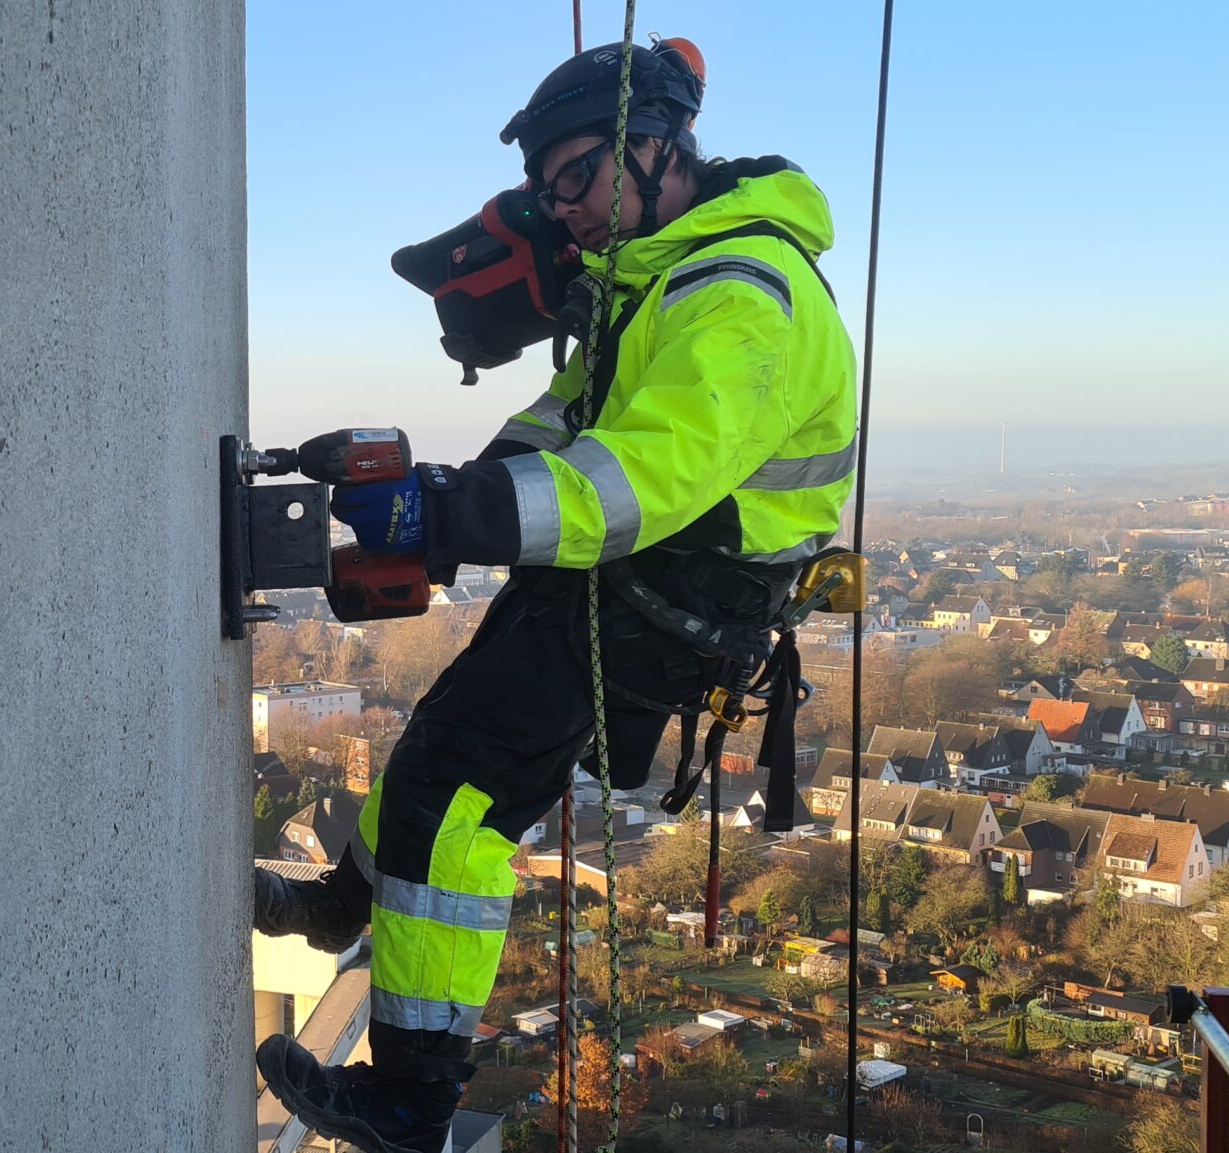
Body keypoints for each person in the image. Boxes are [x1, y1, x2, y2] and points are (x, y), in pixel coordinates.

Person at [251, 38, 859, 1153]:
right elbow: (560, 426)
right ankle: (345, 900)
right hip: (614, 585)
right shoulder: (657, 279)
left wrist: (450, 519)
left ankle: (408, 1100)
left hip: (663, 599)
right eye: (546, 188)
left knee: (460, 814)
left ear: (658, 147)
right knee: (440, 745)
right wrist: (444, 497)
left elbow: (641, 481)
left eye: (575, 176)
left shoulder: (740, 295)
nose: (561, 208)